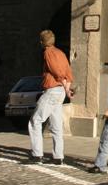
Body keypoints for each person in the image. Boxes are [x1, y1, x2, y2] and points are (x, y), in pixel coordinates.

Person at [26, 29, 73, 165]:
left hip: (52, 90)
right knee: (56, 125)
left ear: (42, 42)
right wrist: (67, 88)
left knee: (35, 120)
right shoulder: (61, 53)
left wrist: (64, 84)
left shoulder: (48, 53)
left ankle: (36, 155)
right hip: (60, 92)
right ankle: (58, 157)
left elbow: (57, 72)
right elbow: (69, 73)